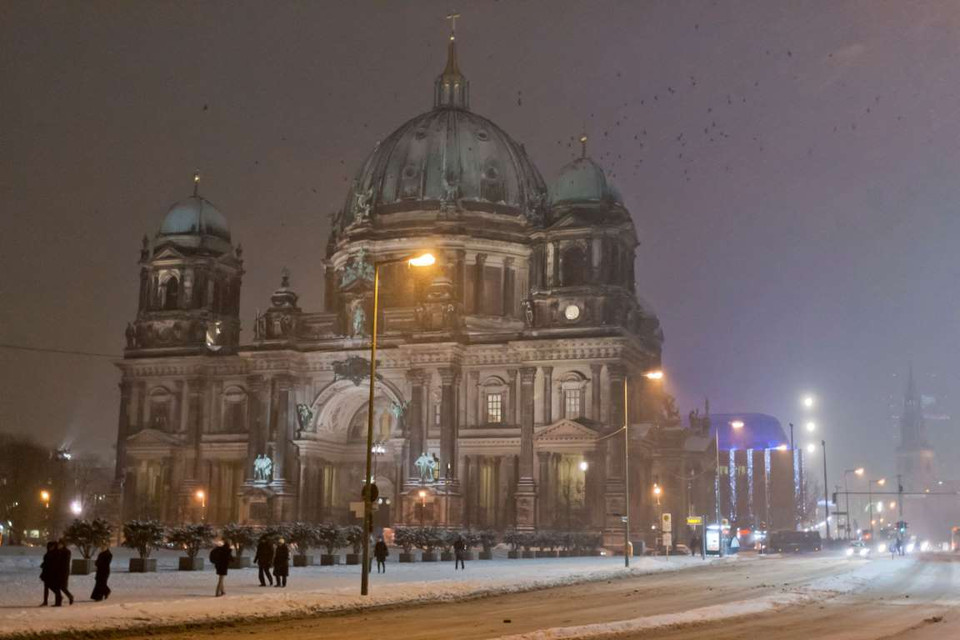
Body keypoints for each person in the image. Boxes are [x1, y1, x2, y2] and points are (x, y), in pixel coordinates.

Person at [39, 541, 59, 606]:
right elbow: (46, 561)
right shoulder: (49, 553)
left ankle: (58, 597)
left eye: (52, 546)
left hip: (51, 572)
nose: (50, 547)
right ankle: (45, 601)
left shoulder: (55, 553)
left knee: (51, 586)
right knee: (46, 587)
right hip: (46, 572)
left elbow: (53, 563)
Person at [56, 539, 74, 605]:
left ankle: (70, 596)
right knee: (58, 586)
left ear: (63, 545)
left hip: (64, 572)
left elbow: (64, 562)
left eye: (60, 544)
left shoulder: (66, 552)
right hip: (59, 572)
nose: (58, 545)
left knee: (63, 587)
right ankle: (59, 601)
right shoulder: (59, 551)